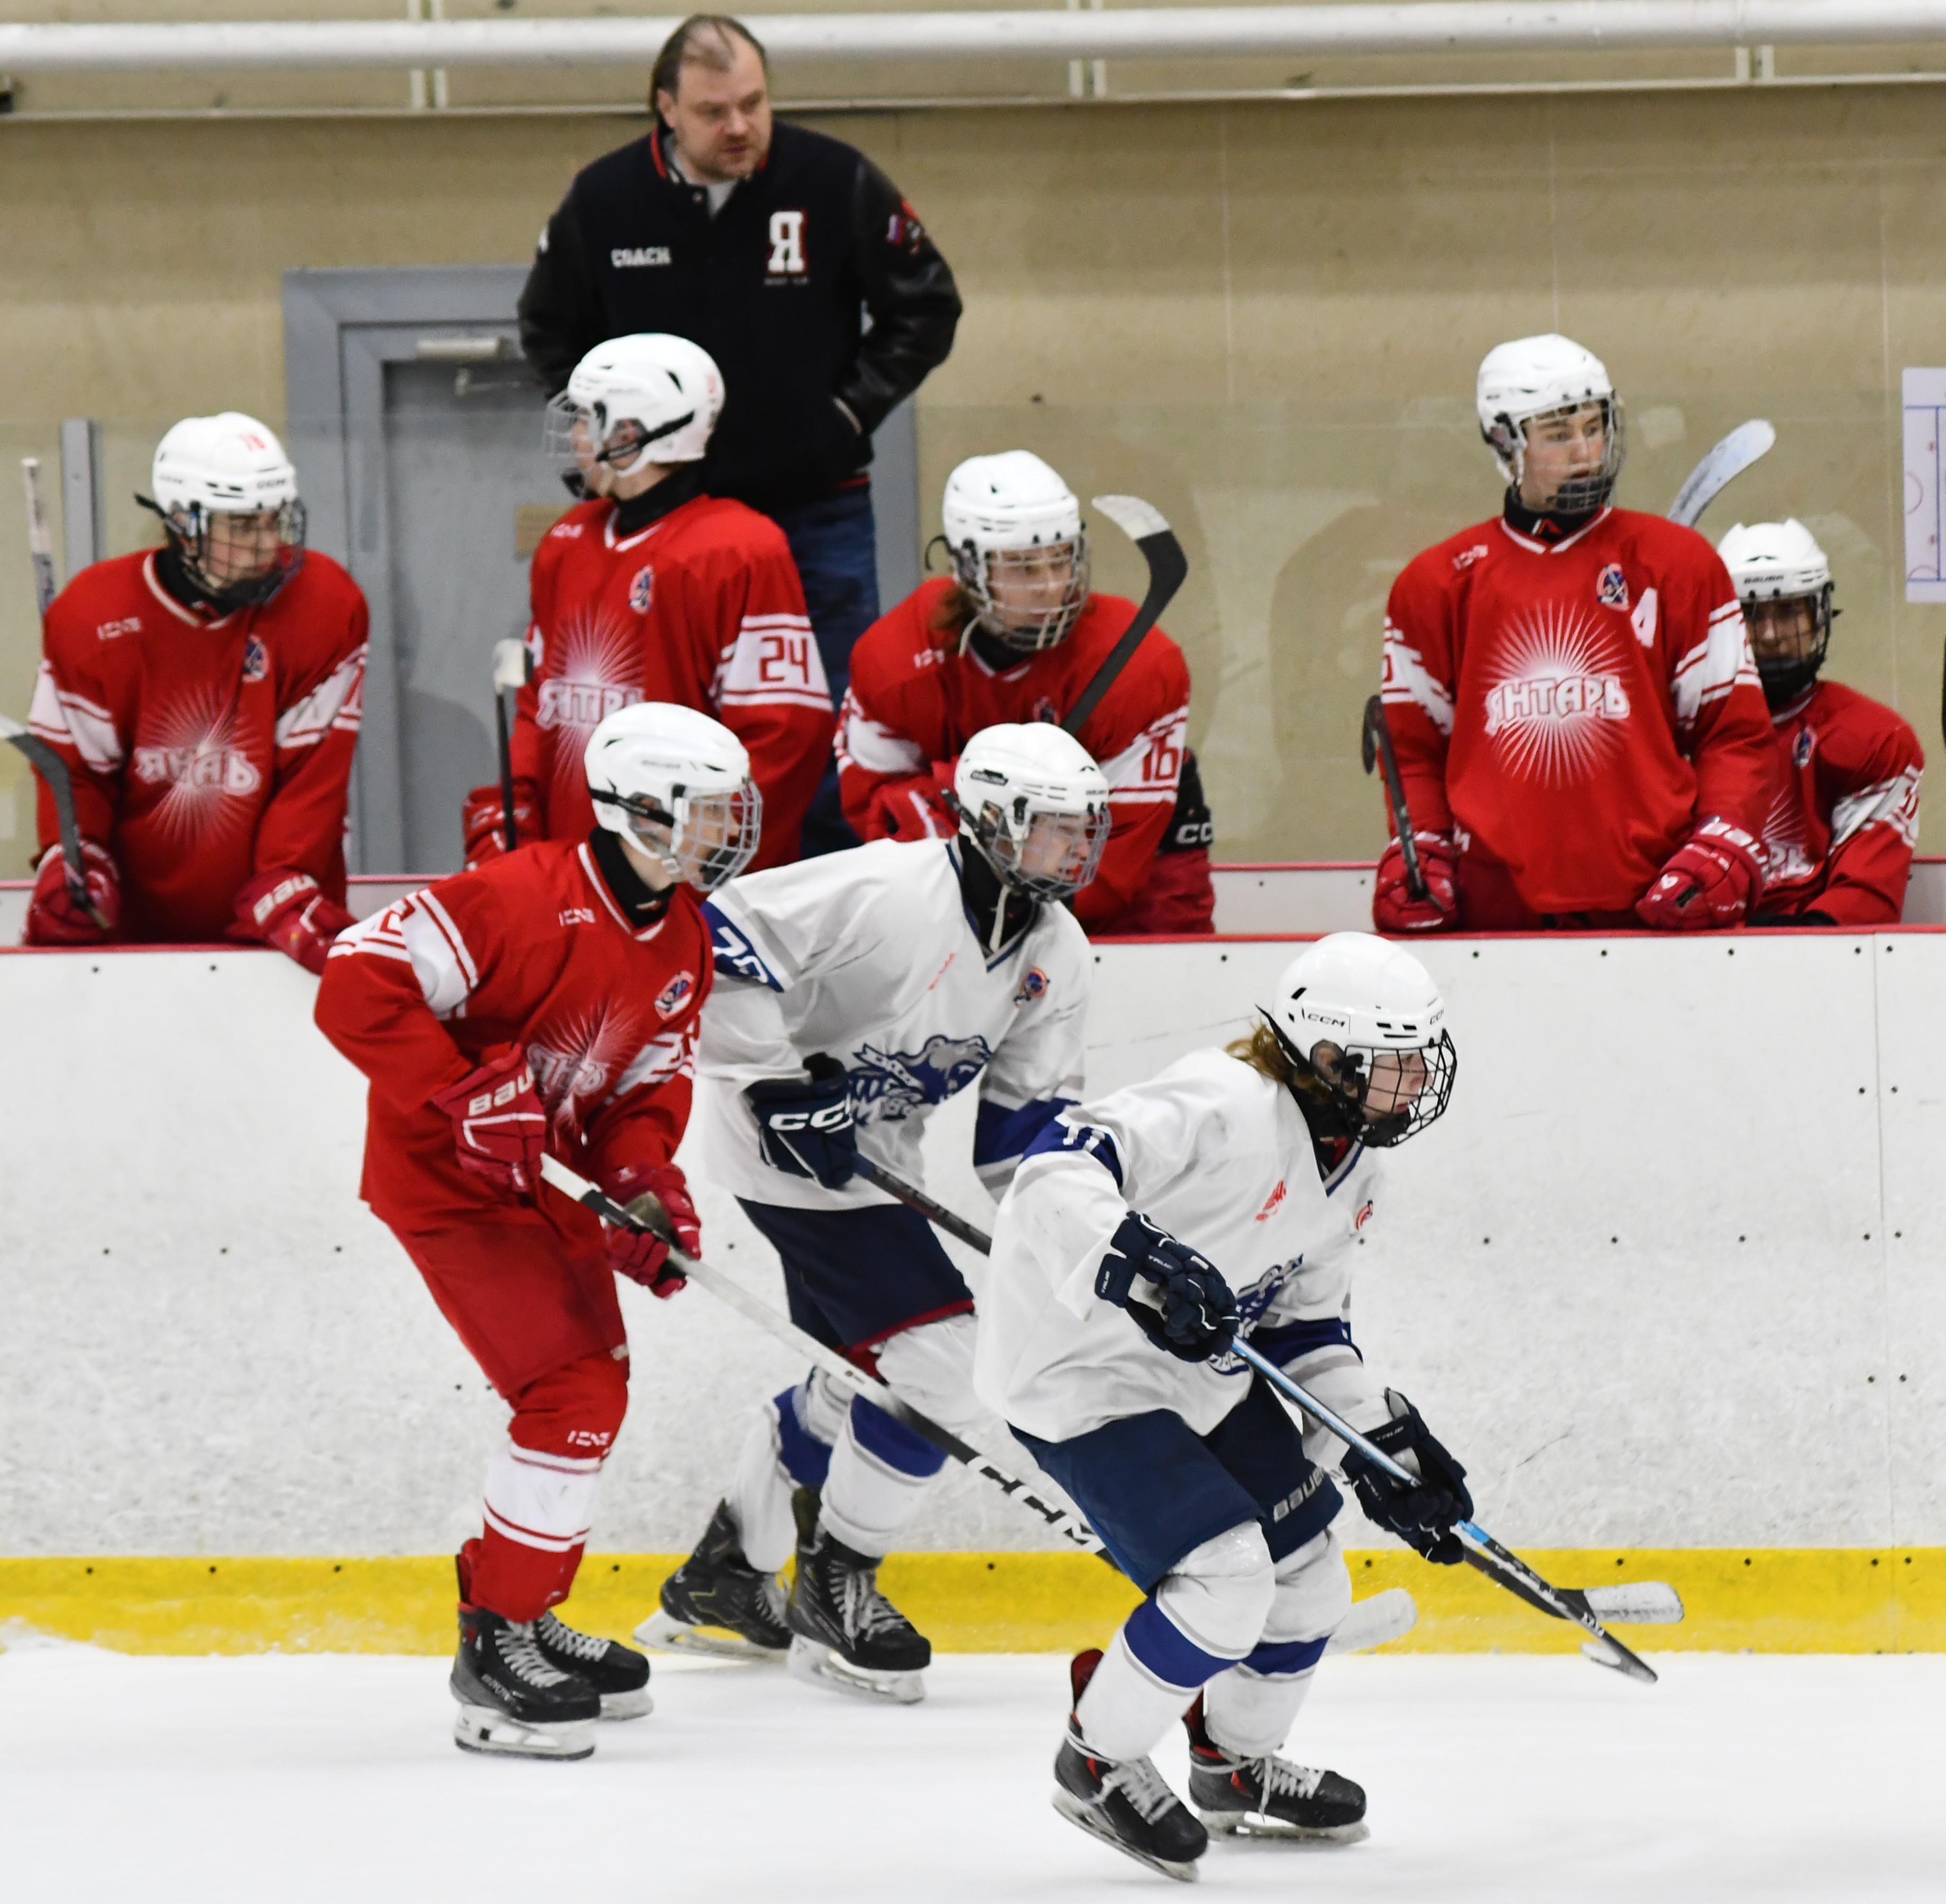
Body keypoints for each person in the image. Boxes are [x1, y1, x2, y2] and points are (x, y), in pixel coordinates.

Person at [975, 932, 1468, 1879]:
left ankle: (1233, 1766)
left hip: (1200, 1379)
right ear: (1329, 1058)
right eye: (1395, 1064)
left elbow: (1304, 1329)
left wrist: (1381, 1445)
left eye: (1420, 1062)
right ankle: (1095, 1762)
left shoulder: (1355, 1169)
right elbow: (1054, 1168)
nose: (1415, 1085)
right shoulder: (1222, 1101)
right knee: (1226, 1580)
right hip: (1082, 1375)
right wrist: (1138, 1258)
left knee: (1310, 1580)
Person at [316, 702, 758, 1760]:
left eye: (727, 809)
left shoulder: (685, 937)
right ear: (637, 809)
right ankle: (495, 1642)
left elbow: (645, 1091)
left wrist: (644, 1189)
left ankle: (526, 1611)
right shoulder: (516, 896)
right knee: (572, 1395)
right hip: (452, 1186)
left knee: (593, 1389)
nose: (724, 829)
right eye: (704, 810)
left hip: (546, 1187)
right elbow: (354, 979)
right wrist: (458, 1087)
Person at [642, 722, 1106, 1702]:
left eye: (1085, 828)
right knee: (946, 1368)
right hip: (779, 1154)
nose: (1076, 847)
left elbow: (1017, 1134)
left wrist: (1083, 1230)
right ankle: (836, 1580)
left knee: (862, 1379)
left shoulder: (1057, 952)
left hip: (873, 1161)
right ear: (992, 819)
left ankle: (726, 1575)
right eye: (1054, 826)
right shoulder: (889, 890)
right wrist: (772, 1080)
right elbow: (721, 931)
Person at [517, 13, 962, 854]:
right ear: (667, 109)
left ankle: (820, 898)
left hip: (815, 509)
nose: (740, 126)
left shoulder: (834, 179)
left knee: (826, 725)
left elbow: (928, 304)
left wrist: (846, 415)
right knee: (656, 712)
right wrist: (597, 428)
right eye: (714, 111)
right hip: (664, 521)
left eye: (754, 104)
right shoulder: (605, 200)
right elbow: (547, 327)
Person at [1375, 334, 1776, 933]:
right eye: (1559, 435)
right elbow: (1414, 750)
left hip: (1654, 908)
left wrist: (1722, 842)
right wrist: (1423, 847)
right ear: (1504, 441)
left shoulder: (1678, 565)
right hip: (1493, 919)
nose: (1587, 452)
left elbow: (1733, 734)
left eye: (1594, 427)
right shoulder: (1435, 584)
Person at [462, 333, 832, 872]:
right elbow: (540, 705)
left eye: (587, 418)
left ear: (631, 434)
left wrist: (699, 858)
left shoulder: (739, 551)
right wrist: (516, 816)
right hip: (572, 877)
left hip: (682, 886)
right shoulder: (567, 542)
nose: (574, 435)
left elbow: (784, 735)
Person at [24, 411, 366, 969]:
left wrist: (284, 879)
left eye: (274, 521)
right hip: (129, 937)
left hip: (280, 927)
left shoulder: (325, 606)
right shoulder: (93, 616)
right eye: (243, 527)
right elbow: (76, 771)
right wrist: (77, 862)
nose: (267, 545)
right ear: (182, 522)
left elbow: (312, 777)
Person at [837, 450, 1214, 935]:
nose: (1052, 587)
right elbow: (880, 818)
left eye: (1062, 560)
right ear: (966, 567)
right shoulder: (895, 658)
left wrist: (960, 803)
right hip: (951, 899)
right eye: (1023, 568)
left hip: (1140, 891)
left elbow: (1113, 865)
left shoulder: (1141, 665)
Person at [1715, 520, 1923, 926]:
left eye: (1788, 611)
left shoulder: (1875, 738)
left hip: (1820, 957)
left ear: (1819, 615)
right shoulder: (1676, 737)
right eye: (1751, 615)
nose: (1770, 635)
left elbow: (1863, 904)